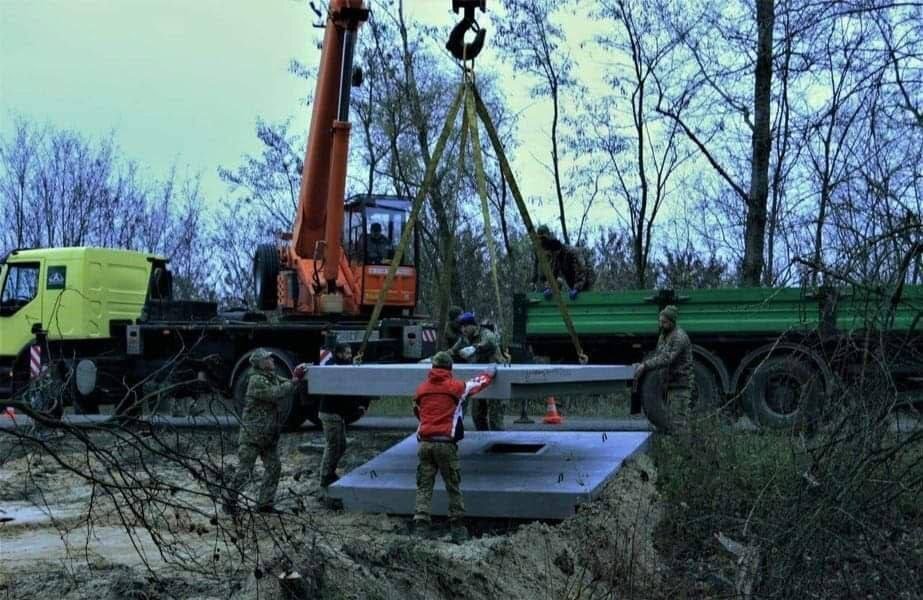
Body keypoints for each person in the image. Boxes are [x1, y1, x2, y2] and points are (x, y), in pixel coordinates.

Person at [412, 351, 496, 542]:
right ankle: (458, 528)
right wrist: (490, 373)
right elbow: (477, 384)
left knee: (424, 486)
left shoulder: (421, 389)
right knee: (453, 486)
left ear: (432, 368)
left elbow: (417, 411)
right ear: (450, 369)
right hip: (445, 445)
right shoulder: (456, 387)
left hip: (425, 444)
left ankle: (420, 527)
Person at [224, 349, 306, 514]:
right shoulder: (256, 380)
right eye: (268, 358)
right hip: (253, 436)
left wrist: (297, 378)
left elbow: (289, 384)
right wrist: (295, 380)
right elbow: (277, 393)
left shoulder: (271, 377)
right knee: (244, 471)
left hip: (267, 435)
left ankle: (265, 504)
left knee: (274, 468)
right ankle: (229, 502)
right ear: (261, 363)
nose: (272, 360)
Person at [633, 305, 693, 433]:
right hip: (668, 385)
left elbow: (667, 358)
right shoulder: (664, 335)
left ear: (672, 322)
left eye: (664, 322)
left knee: (679, 424)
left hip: (679, 386)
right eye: (660, 321)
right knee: (670, 422)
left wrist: (645, 365)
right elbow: (658, 355)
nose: (661, 324)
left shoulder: (679, 337)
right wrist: (642, 365)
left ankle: (684, 450)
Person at [318, 343, 367, 489]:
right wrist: (357, 409)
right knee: (333, 446)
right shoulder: (334, 369)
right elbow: (345, 396)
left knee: (341, 445)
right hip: (330, 414)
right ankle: (325, 477)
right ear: (339, 354)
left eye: (350, 353)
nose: (350, 356)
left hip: (336, 414)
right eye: (347, 353)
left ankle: (330, 472)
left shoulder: (341, 367)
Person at [450, 312, 505, 431]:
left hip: (495, 379)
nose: (463, 329)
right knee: (477, 415)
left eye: (465, 326)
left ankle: (499, 444)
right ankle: (483, 439)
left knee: (495, 417)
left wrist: (475, 347)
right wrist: (435, 358)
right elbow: (452, 352)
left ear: (473, 325)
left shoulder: (485, 333)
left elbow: (490, 341)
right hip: (479, 379)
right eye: (461, 326)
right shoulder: (464, 339)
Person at [532, 225, 594, 300]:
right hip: (572, 280)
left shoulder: (572, 252)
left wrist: (577, 288)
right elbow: (553, 273)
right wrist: (549, 288)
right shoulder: (556, 256)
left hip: (586, 278)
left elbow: (582, 271)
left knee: (584, 298)